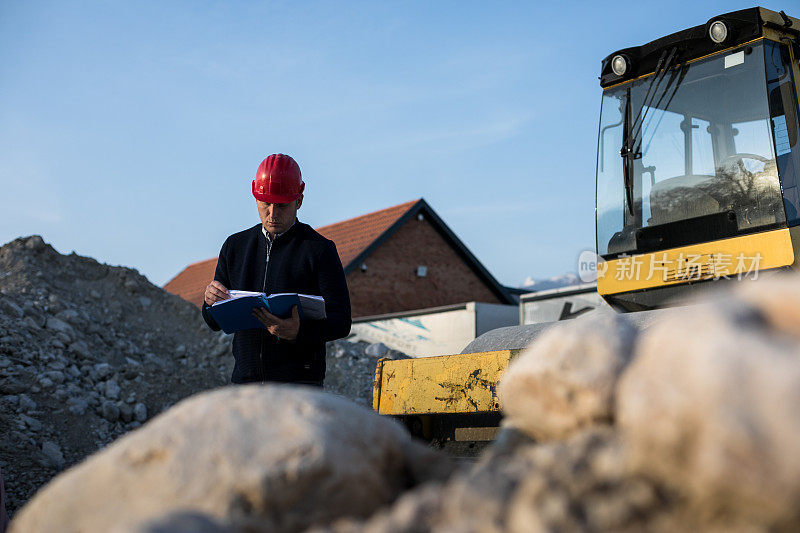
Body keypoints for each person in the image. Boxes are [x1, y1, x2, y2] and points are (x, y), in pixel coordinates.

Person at [201, 154, 351, 386]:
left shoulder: (320, 250)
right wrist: (210, 302)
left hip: (299, 388)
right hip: (246, 386)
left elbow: (341, 321)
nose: (272, 214)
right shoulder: (235, 247)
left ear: (298, 201)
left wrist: (299, 331)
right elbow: (213, 321)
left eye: (281, 206)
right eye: (265, 204)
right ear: (256, 198)